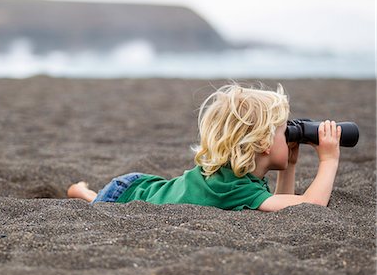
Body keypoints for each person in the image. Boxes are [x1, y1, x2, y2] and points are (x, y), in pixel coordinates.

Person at [67, 83, 341, 212]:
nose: (291, 135)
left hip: (142, 186)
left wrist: (290, 165)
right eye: (285, 131)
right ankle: (85, 194)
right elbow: (311, 204)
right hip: (125, 193)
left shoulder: (238, 177)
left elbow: (287, 205)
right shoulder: (233, 187)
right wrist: (328, 160)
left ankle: (85, 192)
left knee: (100, 199)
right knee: (98, 203)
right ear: (263, 143)